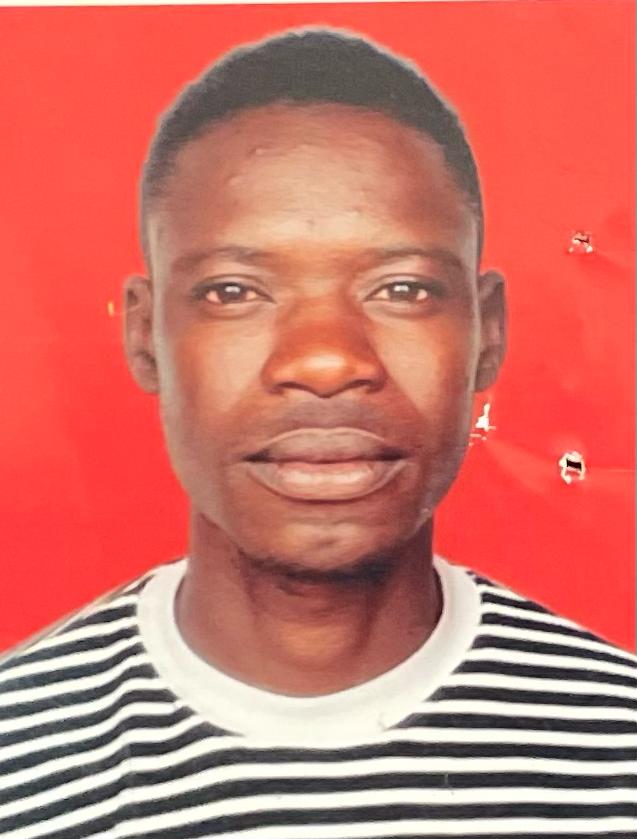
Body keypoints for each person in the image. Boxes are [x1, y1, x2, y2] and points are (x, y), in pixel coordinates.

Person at [0, 28, 635, 839]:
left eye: (402, 288)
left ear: (487, 333)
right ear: (144, 335)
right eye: (233, 290)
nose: (326, 360)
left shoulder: (618, 749)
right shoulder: (19, 754)